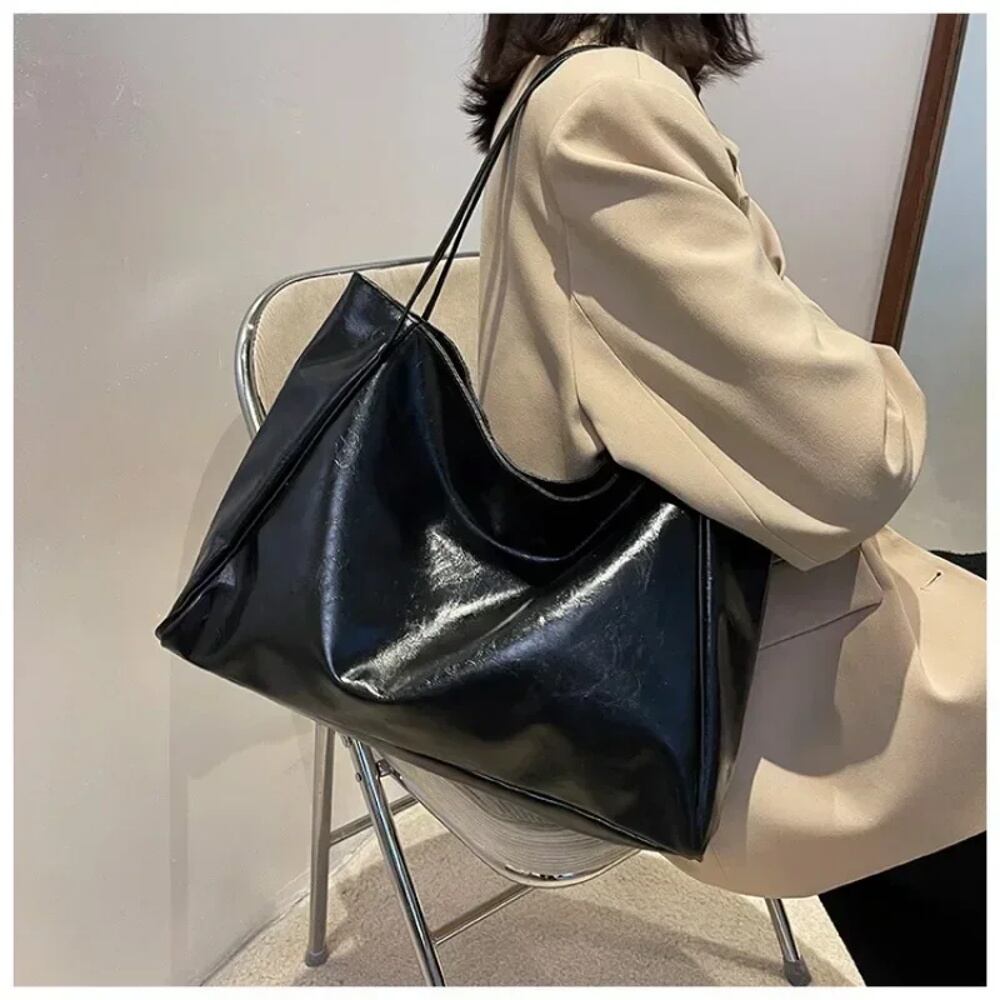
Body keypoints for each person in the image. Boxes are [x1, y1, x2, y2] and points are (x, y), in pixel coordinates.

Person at [464, 13, 986, 984]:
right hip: (686, 662)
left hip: (649, 601)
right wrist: (883, 379)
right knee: (963, 723)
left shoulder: (547, 84)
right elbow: (857, 460)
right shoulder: (610, 102)